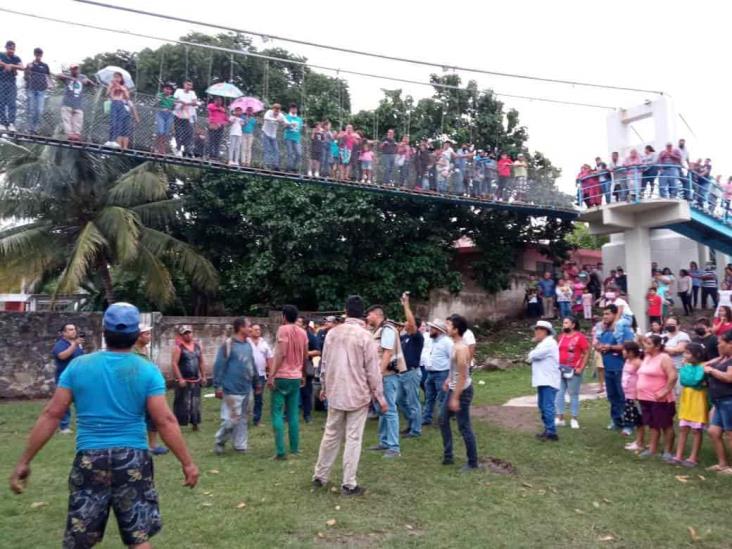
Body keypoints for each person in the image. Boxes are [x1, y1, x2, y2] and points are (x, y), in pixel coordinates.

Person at [9, 303, 199, 547]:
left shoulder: (79, 366)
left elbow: (51, 415)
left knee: (80, 539)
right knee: (138, 538)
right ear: (134, 336)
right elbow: (165, 420)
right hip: (133, 460)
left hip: (90, 459)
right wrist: (188, 463)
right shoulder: (147, 370)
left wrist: (24, 461)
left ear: (104, 331)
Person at [312, 295, 387, 496]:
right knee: (353, 438)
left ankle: (320, 475)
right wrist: (380, 397)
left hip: (336, 393)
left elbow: (324, 364)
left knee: (331, 435)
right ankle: (349, 483)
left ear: (345, 310)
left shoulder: (332, 334)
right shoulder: (365, 336)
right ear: (362, 313)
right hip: (357, 395)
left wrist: (324, 387)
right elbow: (373, 370)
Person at [213, 317, 260, 455]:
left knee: (243, 418)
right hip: (231, 389)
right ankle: (219, 441)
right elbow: (219, 366)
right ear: (241, 328)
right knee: (231, 420)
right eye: (249, 326)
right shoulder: (228, 345)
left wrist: (257, 382)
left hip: (246, 388)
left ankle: (240, 445)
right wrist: (218, 386)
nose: (251, 328)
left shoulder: (248, 344)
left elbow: (252, 364)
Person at [440, 314, 481, 470]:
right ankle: (448, 456)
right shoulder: (453, 344)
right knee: (443, 420)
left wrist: (455, 398)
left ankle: (472, 462)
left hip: (462, 391)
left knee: (464, 426)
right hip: (454, 387)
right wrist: (448, 379)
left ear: (456, 330)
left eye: (449, 325)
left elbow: (464, 375)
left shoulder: (462, 348)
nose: (446, 327)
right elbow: (455, 370)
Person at [366, 304, 406, 458]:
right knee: (382, 410)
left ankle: (394, 448)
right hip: (383, 376)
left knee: (389, 410)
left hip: (387, 376)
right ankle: (384, 442)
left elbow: (387, 353)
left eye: (369, 314)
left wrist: (379, 374)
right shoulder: (379, 330)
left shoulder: (388, 330)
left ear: (376, 314)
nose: (367, 318)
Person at [269, 304, 308, 460]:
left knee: (277, 413)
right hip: (296, 377)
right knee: (293, 414)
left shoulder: (282, 330)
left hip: (281, 377)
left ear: (284, 316)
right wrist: (303, 374)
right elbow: (305, 356)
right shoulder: (303, 332)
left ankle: (280, 452)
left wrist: (272, 375)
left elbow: (280, 354)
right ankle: (295, 448)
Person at [596, 305, 635, 435]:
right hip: (608, 367)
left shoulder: (623, 328)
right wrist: (599, 347)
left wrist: (610, 347)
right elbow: (599, 343)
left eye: (607, 314)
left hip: (621, 367)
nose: (605, 317)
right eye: (604, 314)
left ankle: (629, 424)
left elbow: (628, 346)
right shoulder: (603, 329)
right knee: (612, 396)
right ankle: (616, 420)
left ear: (614, 315)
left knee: (624, 396)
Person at [637, 335, 677, 459]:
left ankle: (667, 451)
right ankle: (652, 449)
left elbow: (673, 376)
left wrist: (664, 391)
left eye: (648, 344)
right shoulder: (647, 357)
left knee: (666, 424)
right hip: (645, 397)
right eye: (645, 343)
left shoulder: (664, 358)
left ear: (657, 346)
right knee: (653, 424)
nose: (645, 346)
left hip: (661, 398)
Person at [132, 325, 169, 456]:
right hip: (136, 390)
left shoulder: (145, 349)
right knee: (138, 417)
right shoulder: (132, 352)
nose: (149, 336)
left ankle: (152, 445)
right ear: (138, 336)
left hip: (148, 389)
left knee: (153, 416)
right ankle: (139, 445)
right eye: (146, 334)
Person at [671, 343, 708, 467]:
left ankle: (693, 457)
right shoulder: (685, 366)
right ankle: (678, 455)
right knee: (683, 428)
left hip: (698, 399)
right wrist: (693, 381)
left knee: (696, 429)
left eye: (687, 353)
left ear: (697, 354)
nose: (684, 355)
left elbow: (696, 380)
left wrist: (694, 381)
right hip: (687, 398)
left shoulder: (702, 366)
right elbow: (684, 381)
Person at [704, 330, 732, 474]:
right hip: (719, 401)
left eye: (721, 343)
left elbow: (729, 378)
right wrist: (715, 361)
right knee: (714, 432)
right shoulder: (723, 358)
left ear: (730, 344)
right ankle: (722, 464)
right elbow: (704, 365)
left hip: (729, 401)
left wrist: (711, 371)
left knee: (730, 434)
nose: (718, 345)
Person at [554, 316, 590, 429]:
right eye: (563, 323)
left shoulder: (580, 337)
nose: (563, 325)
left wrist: (581, 367)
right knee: (559, 393)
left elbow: (586, 352)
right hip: (560, 369)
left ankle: (574, 418)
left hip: (574, 370)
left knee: (573, 394)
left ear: (573, 325)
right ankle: (560, 417)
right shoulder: (561, 337)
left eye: (566, 323)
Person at [397, 294, 423, 438]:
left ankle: (416, 430)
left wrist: (406, 305)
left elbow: (411, 324)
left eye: (407, 322)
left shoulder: (417, 337)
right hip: (402, 373)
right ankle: (411, 423)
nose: (405, 323)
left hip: (411, 373)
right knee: (399, 400)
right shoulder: (405, 337)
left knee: (413, 402)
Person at [529, 320, 560, 441]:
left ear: (545, 331)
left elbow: (533, 355)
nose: (536, 332)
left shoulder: (549, 343)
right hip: (543, 380)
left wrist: (532, 353)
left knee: (547, 406)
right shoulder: (543, 343)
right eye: (536, 329)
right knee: (542, 405)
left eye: (539, 329)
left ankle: (551, 432)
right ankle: (548, 429)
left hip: (549, 380)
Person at [51, 323, 85, 434]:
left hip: (79, 377)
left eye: (74, 329)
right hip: (65, 378)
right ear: (64, 333)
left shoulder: (78, 344)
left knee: (82, 401)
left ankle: (83, 424)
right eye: (70, 330)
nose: (73, 331)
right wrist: (74, 345)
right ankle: (64, 427)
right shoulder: (60, 344)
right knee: (64, 403)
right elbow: (62, 356)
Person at [171, 325, 206, 431]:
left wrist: (204, 376)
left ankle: (195, 424)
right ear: (181, 335)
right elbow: (174, 363)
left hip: (195, 379)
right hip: (184, 380)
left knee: (195, 402)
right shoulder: (178, 347)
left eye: (189, 332)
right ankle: (177, 424)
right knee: (181, 402)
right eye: (185, 333)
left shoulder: (197, 346)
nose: (188, 335)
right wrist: (180, 378)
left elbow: (201, 361)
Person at [422, 319, 453, 426]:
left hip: (442, 374)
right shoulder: (431, 341)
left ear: (438, 330)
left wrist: (450, 376)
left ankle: (442, 420)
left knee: (442, 398)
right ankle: (426, 418)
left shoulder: (447, 342)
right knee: (429, 397)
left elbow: (453, 360)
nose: (429, 330)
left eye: (432, 328)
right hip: (430, 373)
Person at [57, 63, 92, 141]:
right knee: (67, 119)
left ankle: (76, 134)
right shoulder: (68, 75)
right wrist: (70, 78)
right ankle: (69, 134)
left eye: (76, 69)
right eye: (73, 69)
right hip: (67, 103)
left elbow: (88, 82)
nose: (75, 70)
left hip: (78, 103)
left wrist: (87, 81)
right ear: (71, 70)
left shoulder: (82, 76)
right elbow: (59, 75)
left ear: (78, 69)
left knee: (78, 119)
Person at [296, 316, 321, 424]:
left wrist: (306, 353)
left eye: (298, 322)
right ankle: (287, 415)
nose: (296, 323)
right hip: (292, 367)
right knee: (290, 391)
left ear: (304, 325)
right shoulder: (291, 335)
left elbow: (318, 351)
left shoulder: (310, 336)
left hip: (305, 367)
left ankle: (307, 415)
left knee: (306, 392)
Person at [621, 341, 645, 452]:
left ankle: (640, 442)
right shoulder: (627, 360)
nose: (623, 352)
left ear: (631, 352)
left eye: (625, 350)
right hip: (628, 394)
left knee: (638, 419)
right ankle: (637, 440)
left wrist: (638, 393)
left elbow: (643, 378)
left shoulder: (638, 363)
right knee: (634, 419)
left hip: (635, 395)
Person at [106, 72, 135, 150]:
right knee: (113, 122)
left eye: (118, 77)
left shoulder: (124, 86)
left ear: (121, 78)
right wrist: (111, 87)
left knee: (118, 123)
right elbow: (107, 94)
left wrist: (121, 88)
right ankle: (110, 140)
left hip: (121, 104)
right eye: (115, 77)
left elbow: (127, 97)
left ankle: (114, 141)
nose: (116, 78)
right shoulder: (111, 85)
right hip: (114, 103)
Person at [24, 47, 50, 134]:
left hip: (41, 90)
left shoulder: (45, 66)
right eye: (37, 54)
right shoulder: (30, 65)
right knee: (31, 109)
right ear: (34, 54)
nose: (39, 56)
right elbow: (25, 77)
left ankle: (35, 128)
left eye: (40, 54)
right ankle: (29, 128)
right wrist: (28, 69)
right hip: (31, 89)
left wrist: (50, 85)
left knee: (39, 110)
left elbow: (48, 77)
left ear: (42, 55)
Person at [0, 40, 22, 132]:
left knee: (12, 103)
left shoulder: (16, 58)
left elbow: (22, 67)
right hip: (1, 81)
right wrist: (6, 65)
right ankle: (2, 123)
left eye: (13, 48)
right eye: (10, 48)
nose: (11, 50)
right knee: (1, 103)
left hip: (12, 83)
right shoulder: (1, 54)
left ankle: (11, 123)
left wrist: (11, 65)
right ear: (6, 48)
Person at [173, 80, 198, 156]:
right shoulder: (179, 91)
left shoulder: (192, 93)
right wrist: (181, 102)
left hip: (187, 116)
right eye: (187, 84)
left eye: (190, 85)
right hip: (178, 114)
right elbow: (174, 100)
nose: (188, 86)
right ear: (184, 84)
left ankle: (188, 150)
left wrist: (186, 103)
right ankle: (178, 149)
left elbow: (194, 102)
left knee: (188, 133)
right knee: (178, 133)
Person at [154, 83, 175, 154]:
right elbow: (155, 104)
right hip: (160, 114)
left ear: (171, 91)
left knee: (166, 133)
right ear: (163, 89)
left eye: (169, 89)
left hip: (169, 115)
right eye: (166, 88)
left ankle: (162, 148)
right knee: (160, 131)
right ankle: (156, 147)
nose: (167, 90)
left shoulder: (173, 98)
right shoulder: (160, 95)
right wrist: (159, 101)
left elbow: (174, 108)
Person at [282, 103, 303, 172]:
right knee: (290, 153)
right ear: (290, 109)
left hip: (296, 138)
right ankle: (289, 167)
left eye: (295, 108)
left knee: (299, 153)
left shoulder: (299, 119)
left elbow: (300, 128)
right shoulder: (287, 117)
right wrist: (289, 125)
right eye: (292, 108)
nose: (294, 110)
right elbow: (284, 126)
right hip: (288, 137)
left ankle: (294, 167)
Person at [207, 96, 227, 160]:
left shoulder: (223, 110)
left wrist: (221, 123)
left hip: (220, 127)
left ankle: (216, 156)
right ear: (215, 101)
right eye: (217, 100)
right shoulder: (211, 106)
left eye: (220, 100)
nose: (219, 102)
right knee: (211, 141)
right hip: (212, 126)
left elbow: (226, 120)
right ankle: (211, 155)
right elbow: (209, 107)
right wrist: (218, 109)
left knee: (217, 142)